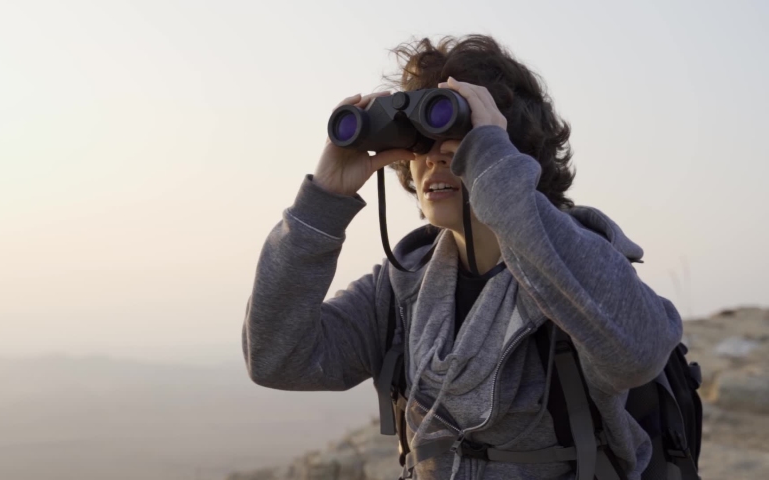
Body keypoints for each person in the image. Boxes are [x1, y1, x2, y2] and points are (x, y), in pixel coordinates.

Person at [242, 34, 683, 480]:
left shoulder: (578, 265)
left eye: (457, 132)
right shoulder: (401, 286)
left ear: (510, 150)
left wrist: (493, 167)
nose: (435, 155)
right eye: (419, 140)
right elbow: (278, 357)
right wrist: (323, 200)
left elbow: (639, 351)